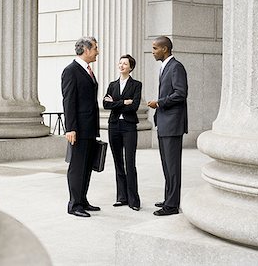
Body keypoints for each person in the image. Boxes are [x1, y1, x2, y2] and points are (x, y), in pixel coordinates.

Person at [147, 36, 188, 216]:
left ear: (165, 49)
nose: (153, 51)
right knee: (166, 165)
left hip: (172, 125)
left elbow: (181, 93)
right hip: (164, 123)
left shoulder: (176, 67)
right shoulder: (166, 67)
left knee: (172, 167)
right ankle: (168, 199)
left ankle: (171, 206)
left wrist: (159, 103)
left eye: (155, 48)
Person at [61, 36, 101, 218]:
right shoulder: (71, 71)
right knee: (77, 166)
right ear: (86, 50)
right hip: (78, 129)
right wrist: (70, 129)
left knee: (86, 166)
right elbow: (69, 101)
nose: (97, 52)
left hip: (90, 128)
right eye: (95, 49)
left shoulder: (88, 70)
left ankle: (82, 200)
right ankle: (74, 204)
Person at [103, 54, 141, 211]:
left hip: (129, 126)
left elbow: (135, 106)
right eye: (120, 63)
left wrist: (116, 104)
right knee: (118, 162)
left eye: (125, 63)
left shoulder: (136, 85)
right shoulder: (112, 85)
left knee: (130, 162)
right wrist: (124, 102)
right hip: (114, 126)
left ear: (130, 67)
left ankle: (134, 200)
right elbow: (105, 104)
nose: (121, 65)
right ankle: (122, 197)